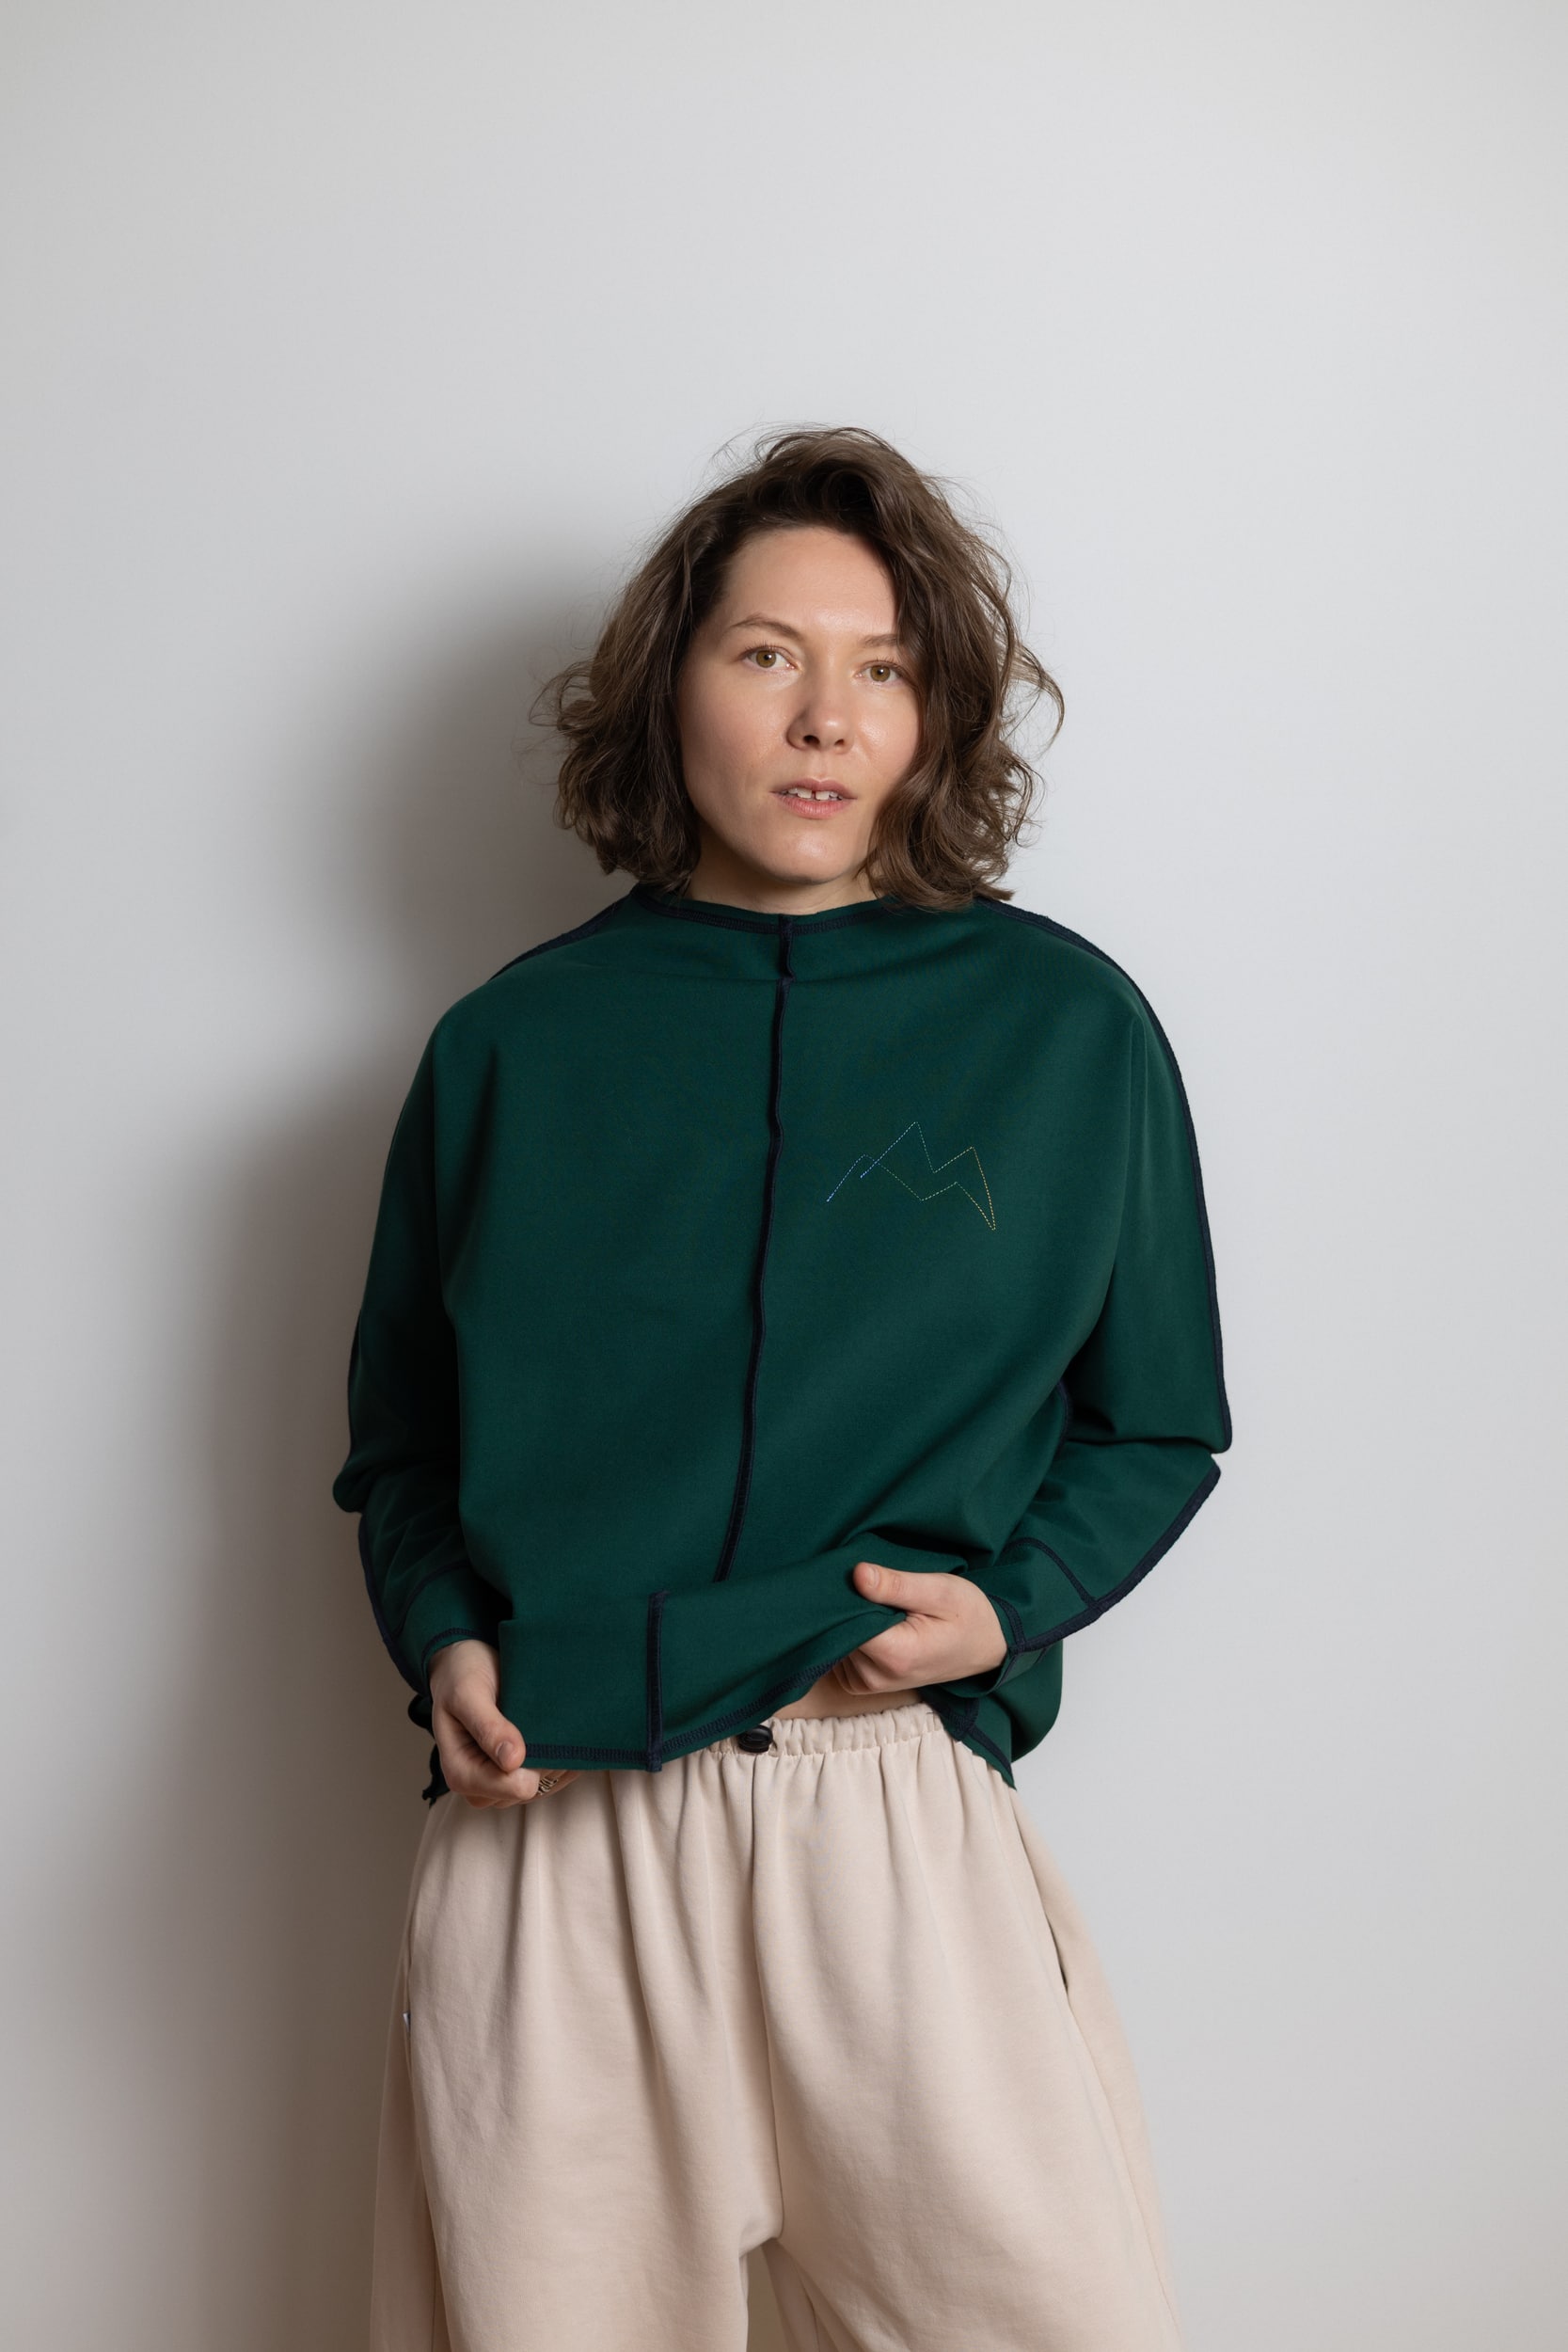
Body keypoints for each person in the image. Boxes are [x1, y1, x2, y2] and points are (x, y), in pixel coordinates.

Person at [332, 426, 1231, 2352]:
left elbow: (1159, 1419)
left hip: (889, 1812)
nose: (826, 717)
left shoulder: (1066, 1030)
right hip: (559, 1833)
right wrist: (443, 1638)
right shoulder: (509, 1047)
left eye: (883, 668)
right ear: (672, 688)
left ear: (934, 716)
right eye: (767, 655)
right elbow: (401, 1442)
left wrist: (1008, 1606)